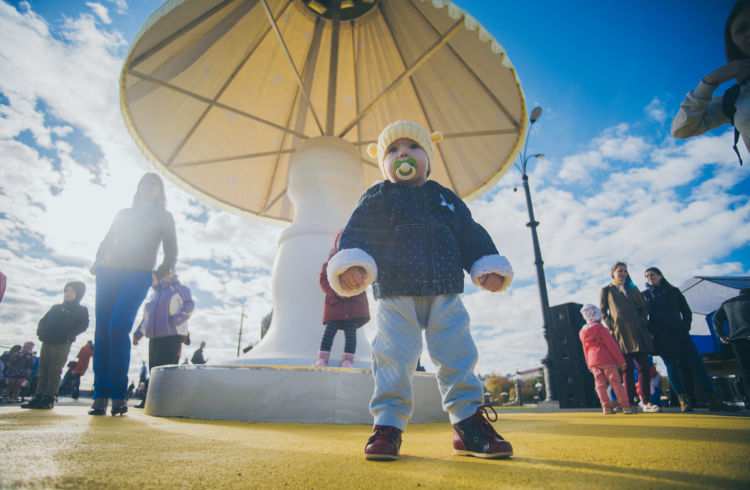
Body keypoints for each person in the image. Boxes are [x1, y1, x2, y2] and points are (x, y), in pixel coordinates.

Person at [327, 121, 515, 461]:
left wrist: (486, 265)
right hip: (395, 293)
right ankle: (388, 424)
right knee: (393, 358)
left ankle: (468, 423)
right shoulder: (378, 197)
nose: (403, 154)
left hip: (445, 291)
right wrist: (353, 263)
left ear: (427, 158)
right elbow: (359, 232)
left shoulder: (445, 198)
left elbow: (469, 233)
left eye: (413, 148)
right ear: (384, 164)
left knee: (457, 354)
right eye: (393, 150)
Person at [90, 172, 177, 416]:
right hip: (109, 272)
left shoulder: (164, 217)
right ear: (138, 187)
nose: (149, 186)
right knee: (102, 332)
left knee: (118, 326)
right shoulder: (123, 214)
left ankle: (118, 394)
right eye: (146, 182)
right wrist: (98, 262)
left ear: (160, 191)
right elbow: (109, 238)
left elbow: (171, 251)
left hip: (138, 275)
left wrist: (158, 274)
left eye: (155, 184)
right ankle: (99, 394)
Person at [642, 267, 736, 412]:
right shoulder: (645, 296)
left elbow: (686, 311)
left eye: (652, 275)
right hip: (662, 338)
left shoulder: (674, 292)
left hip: (681, 335)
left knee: (697, 365)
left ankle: (713, 399)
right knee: (672, 367)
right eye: (647, 276)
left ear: (660, 276)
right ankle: (683, 400)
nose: (649, 278)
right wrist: (653, 332)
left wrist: (685, 326)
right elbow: (643, 318)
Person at [671, 0, 750, 162]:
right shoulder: (735, 99)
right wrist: (710, 81)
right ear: (733, 42)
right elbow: (681, 129)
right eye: (742, 29)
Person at [600, 262, 660, 413]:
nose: (623, 274)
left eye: (625, 271)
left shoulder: (632, 289)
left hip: (638, 333)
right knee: (626, 369)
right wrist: (612, 326)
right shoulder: (606, 290)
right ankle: (630, 402)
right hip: (621, 335)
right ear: (613, 272)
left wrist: (642, 321)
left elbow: (644, 307)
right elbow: (603, 312)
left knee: (643, 367)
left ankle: (646, 401)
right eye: (620, 271)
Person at [21, 282, 89, 410]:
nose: (68, 293)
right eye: (66, 291)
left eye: (72, 291)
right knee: (43, 369)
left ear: (78, 294)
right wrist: (41, 333)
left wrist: (68, 335)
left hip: (63, 343)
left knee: (54, 370)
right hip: (47, 341)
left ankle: (49, 397)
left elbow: (83, 325)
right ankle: (38, 396)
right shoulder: (55, 308)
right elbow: (43, 321)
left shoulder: (80, 310)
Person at [132, 269, 194, 408]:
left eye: (156, 277)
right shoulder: (154, 295)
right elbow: (147, 317)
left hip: (172, 334)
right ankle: (150, 400)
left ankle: (167, 401)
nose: (155, 280)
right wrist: (138, 334)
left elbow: (189, 306)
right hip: (155, 334)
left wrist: (175, 321)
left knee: (166, 368)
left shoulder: (180, 289)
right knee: (153, 367)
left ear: (170, 273)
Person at [314, 230, 370, 368]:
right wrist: (336, 291)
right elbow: (323, 279)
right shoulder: (330, 263)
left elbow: (366, 279)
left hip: (354, 307)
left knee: (351, 334)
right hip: (335, 305)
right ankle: (322, 359)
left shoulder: (360, 263)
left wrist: (354, 289)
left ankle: (348, 361)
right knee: (329, 332)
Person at [578, 304, 635, 415]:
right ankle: (625, 406)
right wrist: (621, 361)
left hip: (593, 360)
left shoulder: (582, 332)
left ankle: (606, 407)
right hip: (606, 359)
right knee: (616, 383)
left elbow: (585, 349)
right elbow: (612, 345)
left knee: (599, 384)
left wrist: (588, 363)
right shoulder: (601, 329)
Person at [713, 288, 750, 407]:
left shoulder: (727, 303)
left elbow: (716, 319)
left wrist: (722, 336)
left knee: (745, 370)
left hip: (736, 341)